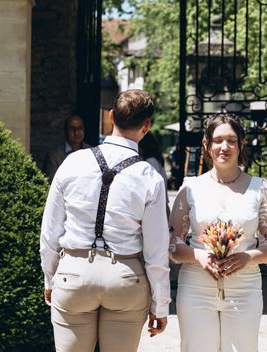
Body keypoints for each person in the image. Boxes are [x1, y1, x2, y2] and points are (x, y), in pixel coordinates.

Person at [40, 90, 170, 352]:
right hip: (125, 276)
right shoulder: (149, 176)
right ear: (146, 126)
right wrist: (161, 304)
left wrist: (50, 277)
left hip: (74, 272)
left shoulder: (72, 163)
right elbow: (157, 250)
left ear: (111, 117)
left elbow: (50, 231)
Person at [169, 114, 267, 352]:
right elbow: (172, 243)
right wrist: (198, 256)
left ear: (241, 144)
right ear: (206, 145)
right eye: (218, 140)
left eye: (231, 140)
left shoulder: (259, 187)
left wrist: (248, 257)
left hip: (245, 288)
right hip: (196, 286)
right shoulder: (190, 187)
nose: (224, 147)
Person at [43, 115, 91, 181]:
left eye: (79, 128)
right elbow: (51, 183)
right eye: (72, 129)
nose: (76, 133)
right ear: (65, 131)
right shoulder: (54, 156)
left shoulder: (91, 152)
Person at [139, 131, 170, 216]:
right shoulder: (157, 160)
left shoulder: (151, 161)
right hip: (161, 205)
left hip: (155, 208)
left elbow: (152, 186)